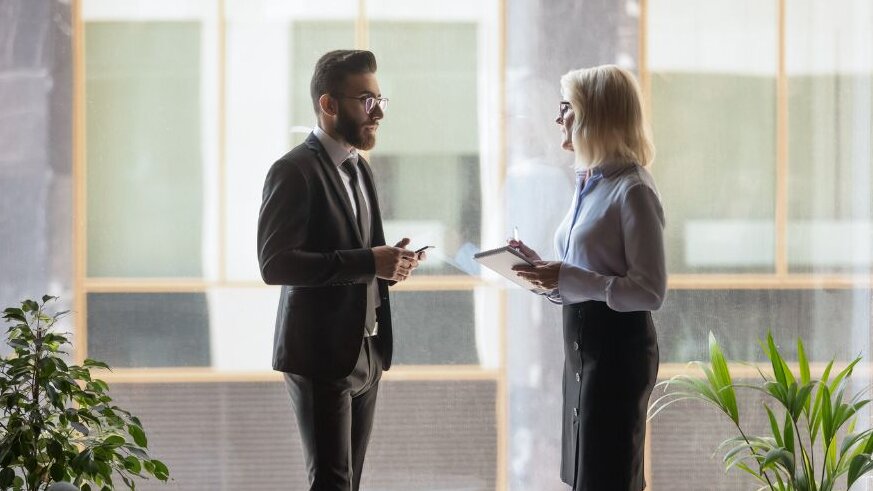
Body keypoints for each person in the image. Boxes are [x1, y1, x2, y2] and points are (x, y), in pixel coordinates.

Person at [257, 49, 425, 491]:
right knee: (332, 483)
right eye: (365, 101)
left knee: (349, 482)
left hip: (367, 349)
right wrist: (369, 261)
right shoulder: (293, 171)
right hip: (319, 355)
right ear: (328, 105)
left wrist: (389, 264)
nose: (378, 114)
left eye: (379, 100)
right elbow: (275, 264)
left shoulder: (360, 168)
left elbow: (360, 253)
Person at [510, 64, 666, 491]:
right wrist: (546, 270)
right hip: (582, 350)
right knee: (583, 474)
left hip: (617, 353)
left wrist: (571, 277)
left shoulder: (632, 190)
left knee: (608, 476)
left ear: (595, 114)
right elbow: (582, 270)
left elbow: (651, 291)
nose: (558, 119)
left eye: (566, 108)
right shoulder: (589, 184)